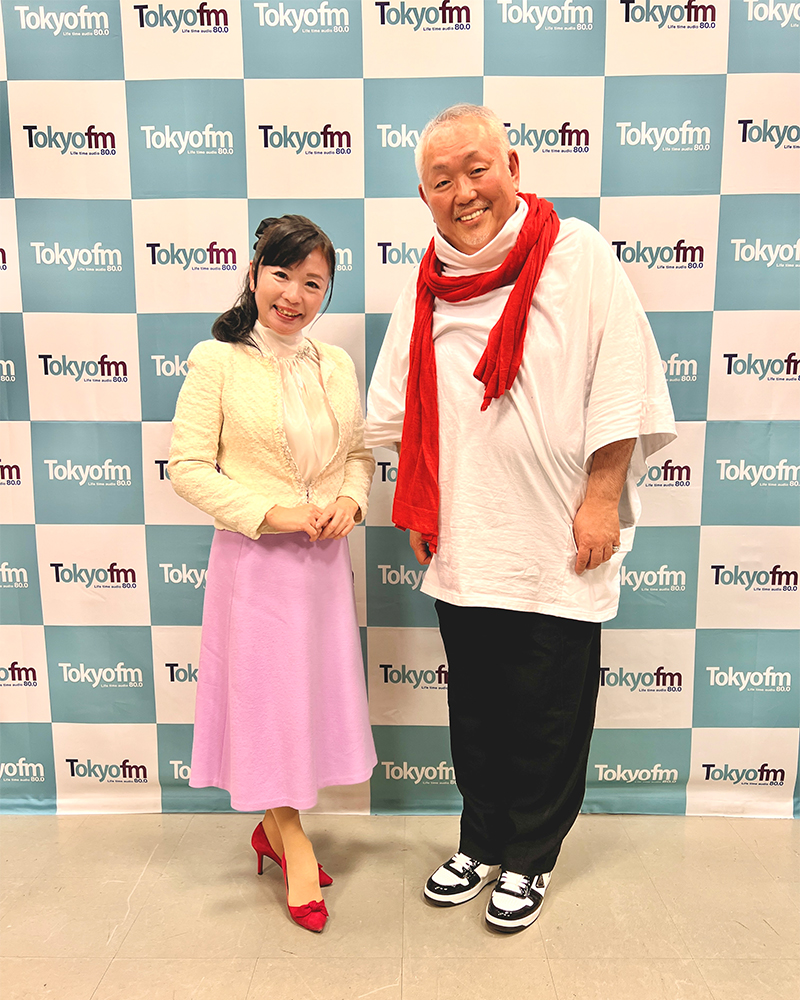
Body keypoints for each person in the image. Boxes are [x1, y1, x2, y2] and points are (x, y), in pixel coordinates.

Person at [365, 105, 676, 933]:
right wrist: (420, 502)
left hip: (558, 535)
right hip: (468, 537)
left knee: (548, 714)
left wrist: (602, 500)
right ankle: (481, 840)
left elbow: (623, 382)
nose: (464, 191)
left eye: (477, 168)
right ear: (423, 197)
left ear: (512, 165)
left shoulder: (578, 255)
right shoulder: (427, 280)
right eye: (442, 180)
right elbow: (398, 406)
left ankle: (531, 857)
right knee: (477, 711)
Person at [168, 214, 376, 933]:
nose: (294, 295)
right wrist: (271, 512)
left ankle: (271, 829)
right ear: (255, 275)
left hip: (322, 566)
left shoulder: (335, 364)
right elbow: (187, 468)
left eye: (313, 283)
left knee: (305, 704)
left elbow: (358, 456)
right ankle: (294, 842)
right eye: (282, 275)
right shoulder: (217, 361)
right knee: (268, 708)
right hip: (256, 564)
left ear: (327, 291)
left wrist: (350, 502)